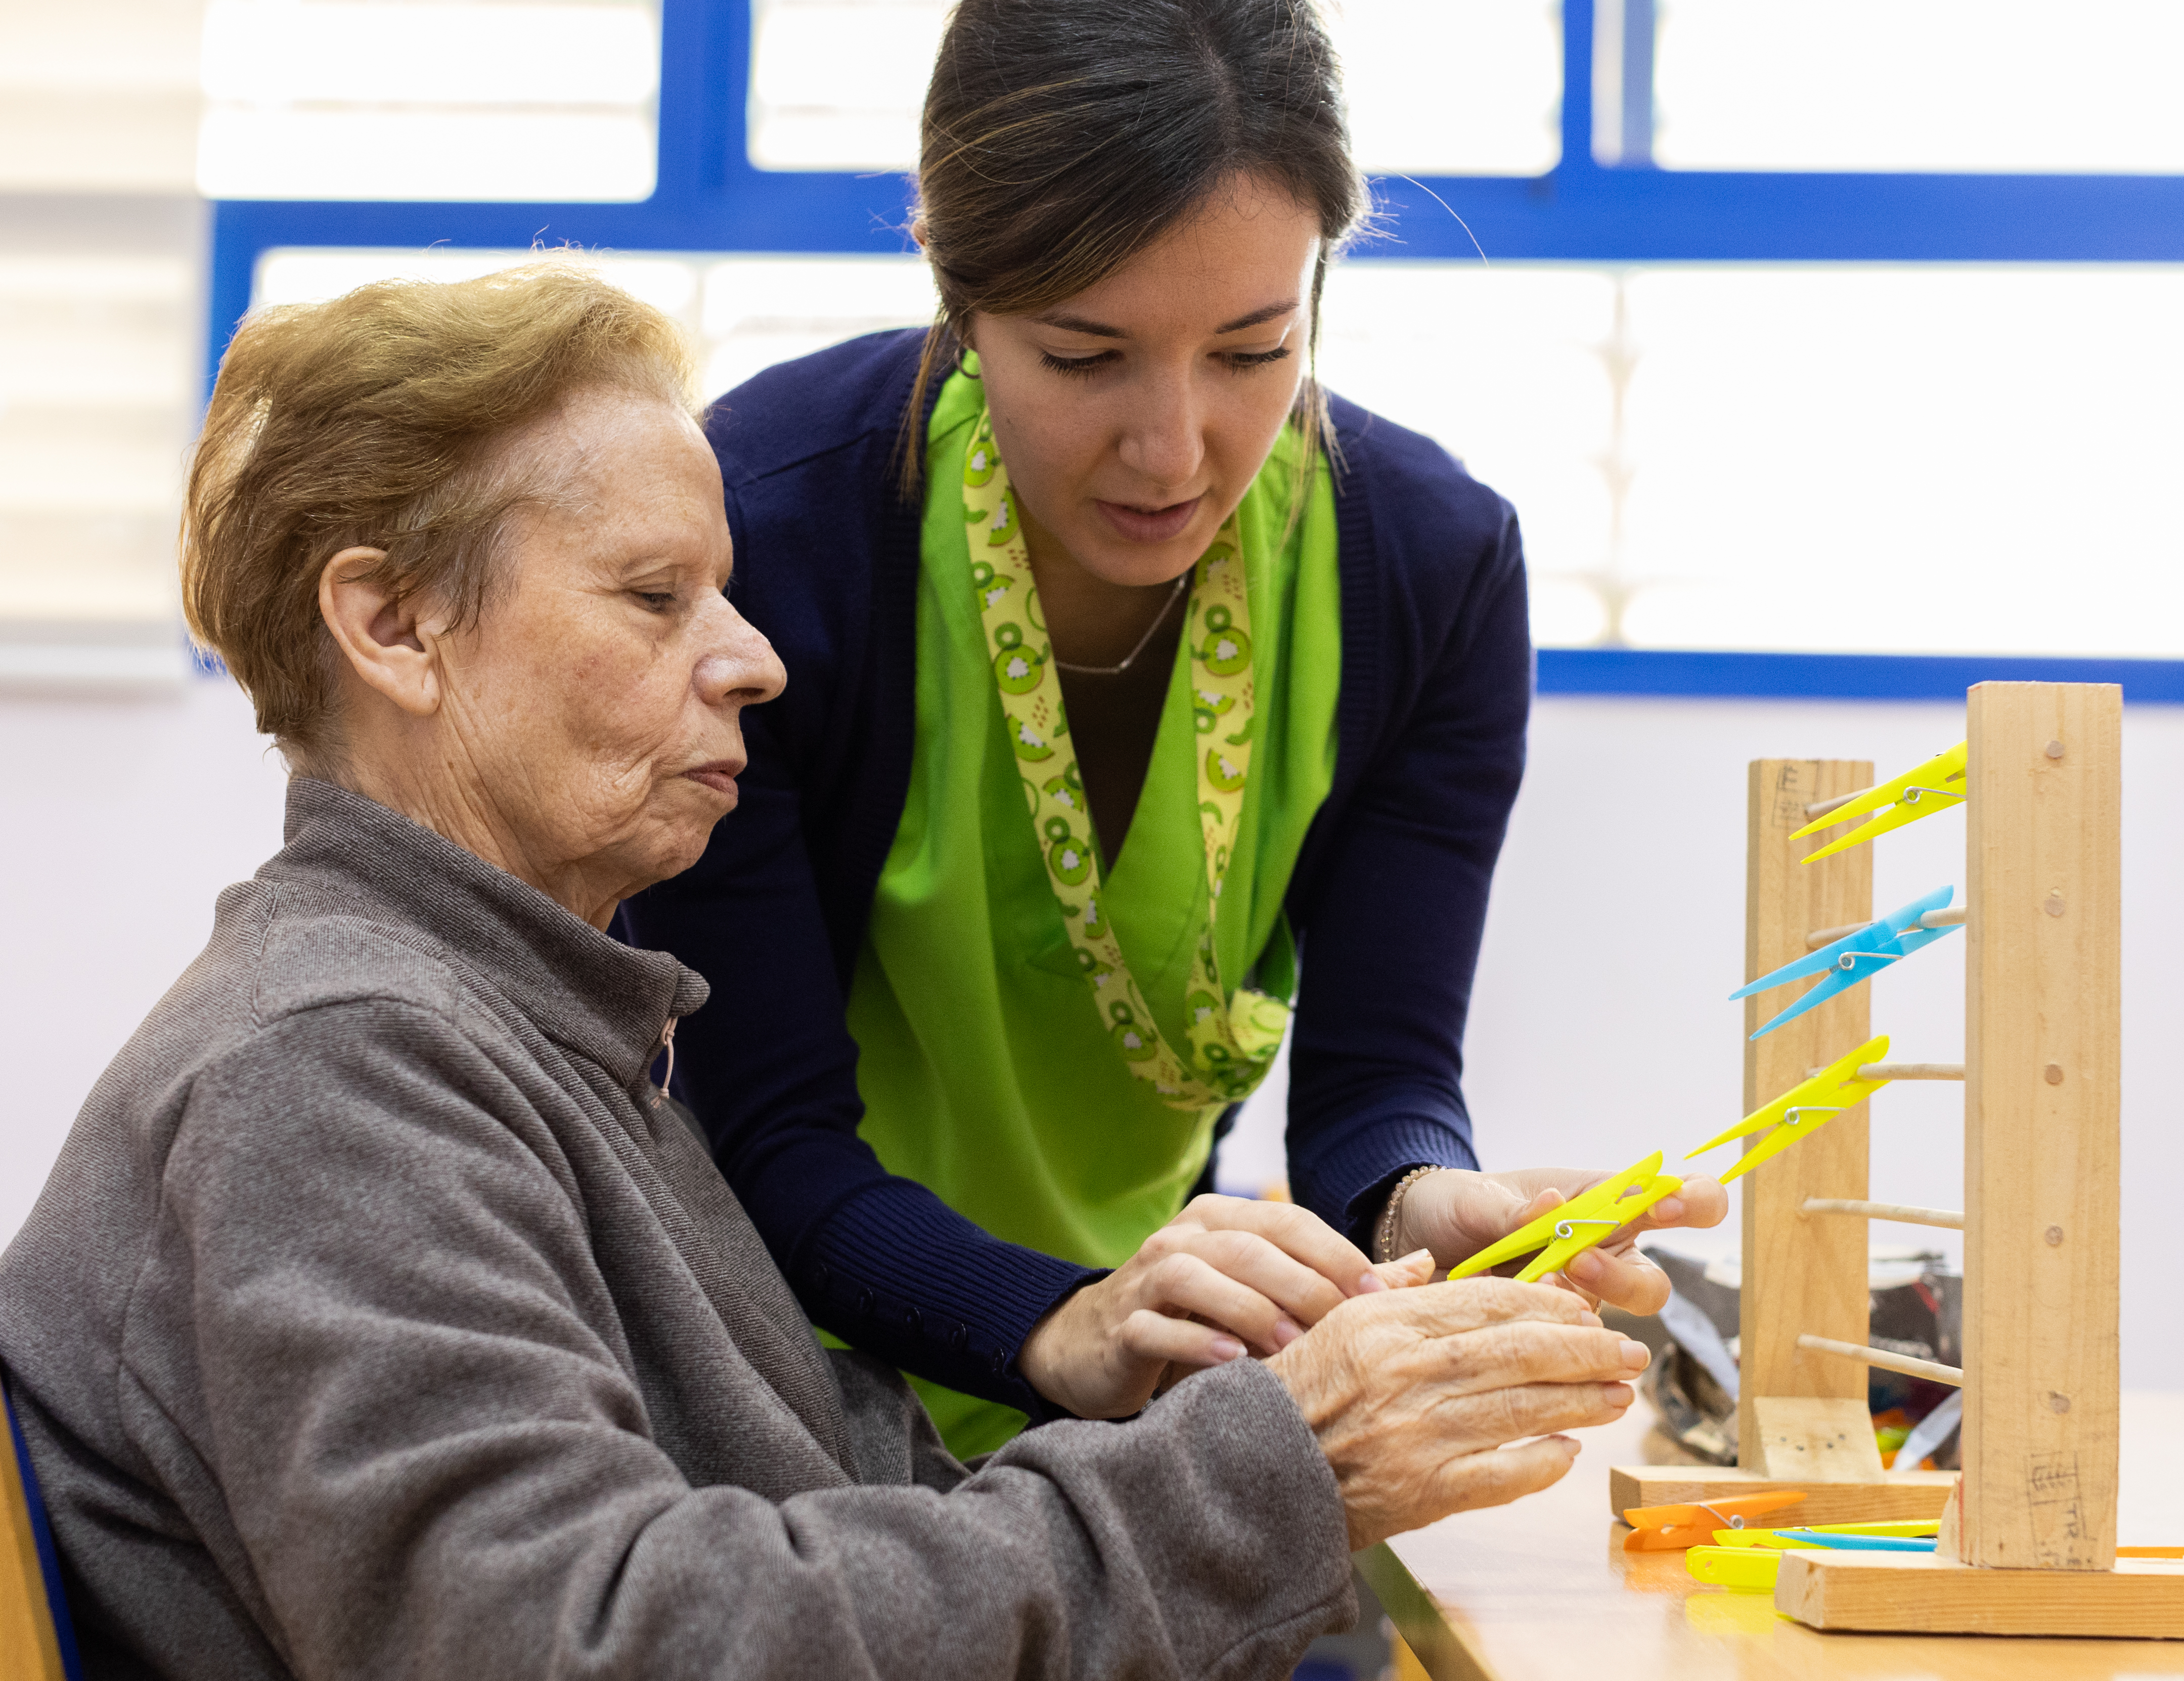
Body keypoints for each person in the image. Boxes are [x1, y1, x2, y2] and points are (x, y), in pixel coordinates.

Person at [0, 267, 1656, 1680]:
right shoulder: (336, 1069)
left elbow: (829, 1532)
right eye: (656, 599)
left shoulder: (523, 1037)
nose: (756, 657)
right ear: (395, 629)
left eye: (718, 590)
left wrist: (1214, 1410)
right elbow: (591, 1643)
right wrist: (1277, 1460)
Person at [626, 0, 1726, 1457]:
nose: (1172, 448)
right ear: (951, 288)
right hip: (754, 1394)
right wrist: (1067, 1321)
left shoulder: (1427, 566)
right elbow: (760, 1134)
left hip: (1135, 1404)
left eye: (1252, 348)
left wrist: (1416, 1196)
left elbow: (1376, 1083)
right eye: (1083, 358)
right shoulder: (766, 529)